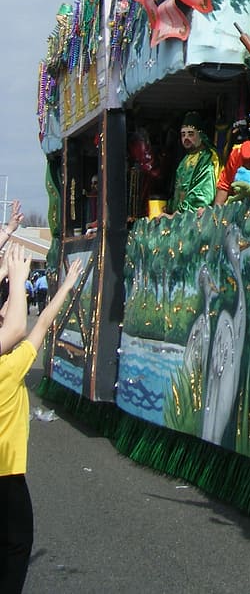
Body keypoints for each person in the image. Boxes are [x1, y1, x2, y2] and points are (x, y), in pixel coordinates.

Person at [0, 247, 83, 592]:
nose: (5, 309)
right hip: (6, 474)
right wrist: (63, 287)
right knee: (18, 542)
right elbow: (38, 324)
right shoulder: (10, 368)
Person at [169, 113, 220, 214]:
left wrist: (180, 212)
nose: (186, 138)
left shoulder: (207, 157)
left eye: (191, 134)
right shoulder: (185, 160)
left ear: (200, 135)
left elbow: (203, 193)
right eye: (183, 135)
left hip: (197, 217)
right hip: (180, 218)